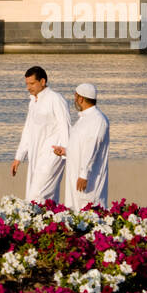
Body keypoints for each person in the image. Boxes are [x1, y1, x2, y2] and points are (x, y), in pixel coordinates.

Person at [11, 66, 71, 203]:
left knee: (37, 196)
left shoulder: (55, 99)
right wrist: (18, 157)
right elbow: (28, 130)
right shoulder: (33, 102)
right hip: (36, 155)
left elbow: (65, 126)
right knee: (46, 198)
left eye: (32, 83)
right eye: (27, 84)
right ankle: (51, 222)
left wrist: (67, 151)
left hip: (53, 154)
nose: (28, 88)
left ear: (42, 81)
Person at [53, 82, 109, 212]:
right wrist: (66, 152)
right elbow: (81, 146)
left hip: (88, 180)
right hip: (76, 178)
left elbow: (92, 148)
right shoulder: (83, 119)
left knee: (90, 213)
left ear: (81, 98)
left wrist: (84, 175)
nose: (75, 99)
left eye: (75, 96)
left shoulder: (97, 120)